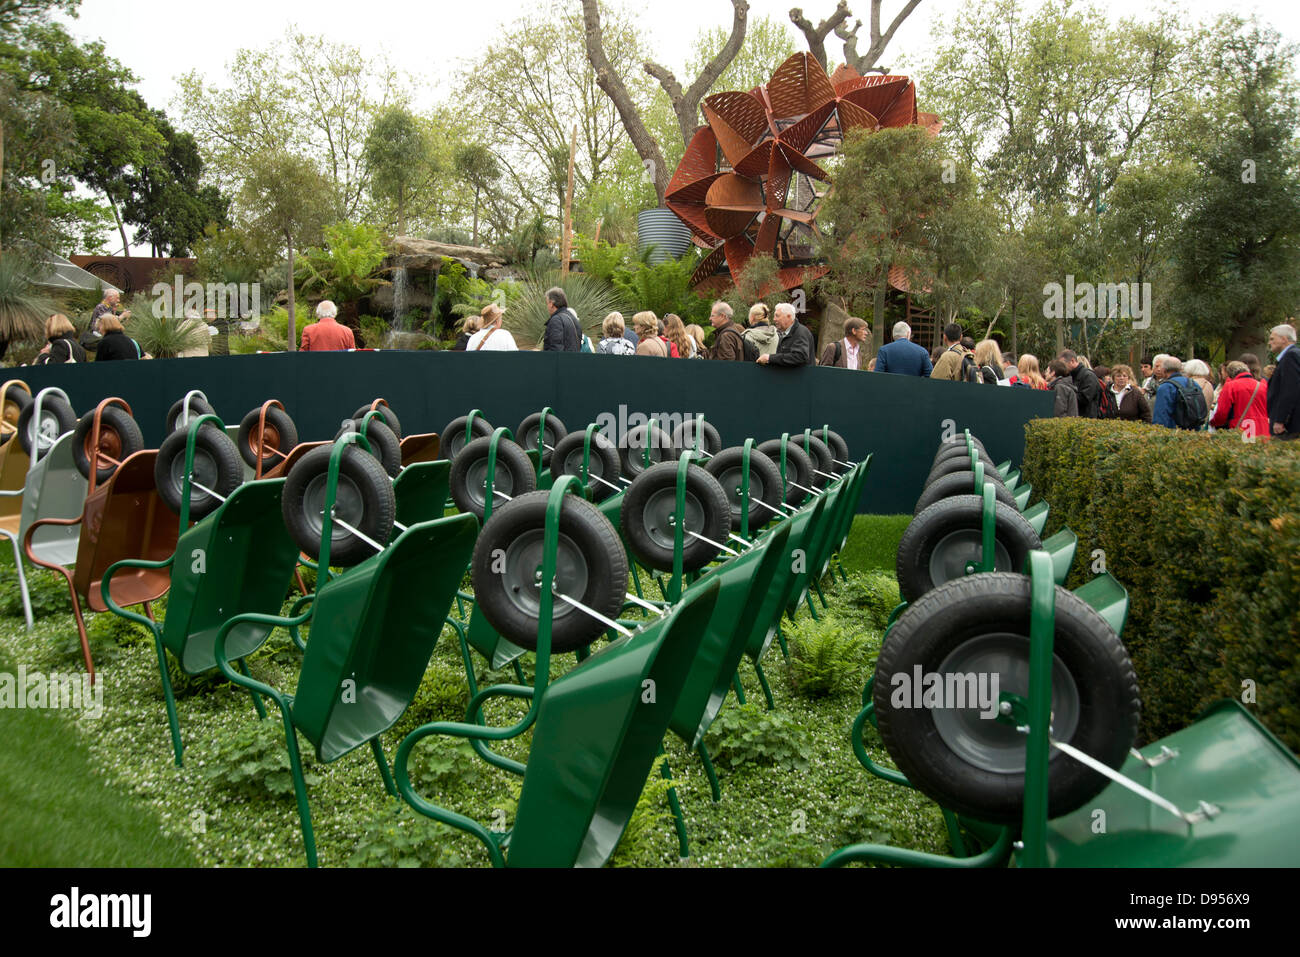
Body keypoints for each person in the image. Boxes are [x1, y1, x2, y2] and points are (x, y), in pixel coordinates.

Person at [1210, 360, 1268, 438]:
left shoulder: (1230, 386)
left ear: (1230, 375)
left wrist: (1213, 422)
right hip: (1263, 429)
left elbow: (1222, 412)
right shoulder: (1263, 386)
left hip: (1242, 430)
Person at [1266, 322, 1299, 439]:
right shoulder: (1291, 356)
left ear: (1284, 339)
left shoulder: (1291, 356)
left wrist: (1281, 420)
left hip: (1288, 425)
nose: (1269, 342)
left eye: (1272, 339)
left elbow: (1290, 390)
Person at [756, 302, 814, 367]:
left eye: (777, 316)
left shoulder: (801, 332)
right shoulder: (783, 333)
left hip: (800, 377)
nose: (774, 319)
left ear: (789, 316)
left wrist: (770, 358)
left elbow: (799, 357)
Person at [1152, 356, 1196, 429]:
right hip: (1194, 431)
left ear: (1164, 369)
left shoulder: (1166, 387)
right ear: (1181, 369)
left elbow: (1160, 417)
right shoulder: (1193, 383)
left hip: (1174, 432)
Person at [1059, 350, 1101, 417]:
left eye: (1063, 364)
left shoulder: (1088, 376)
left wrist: (1067, 395)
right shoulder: (1069, 376)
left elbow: (1085, 398)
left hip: (1087, 418)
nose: (1062, 368)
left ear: (1072, 361)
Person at [542, 287, 582, 352]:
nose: (547, 307)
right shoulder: (574, 319)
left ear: (551, 304)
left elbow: (555, 351)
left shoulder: (556, 320)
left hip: (559, 361)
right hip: (574, 361)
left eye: (547, 303)